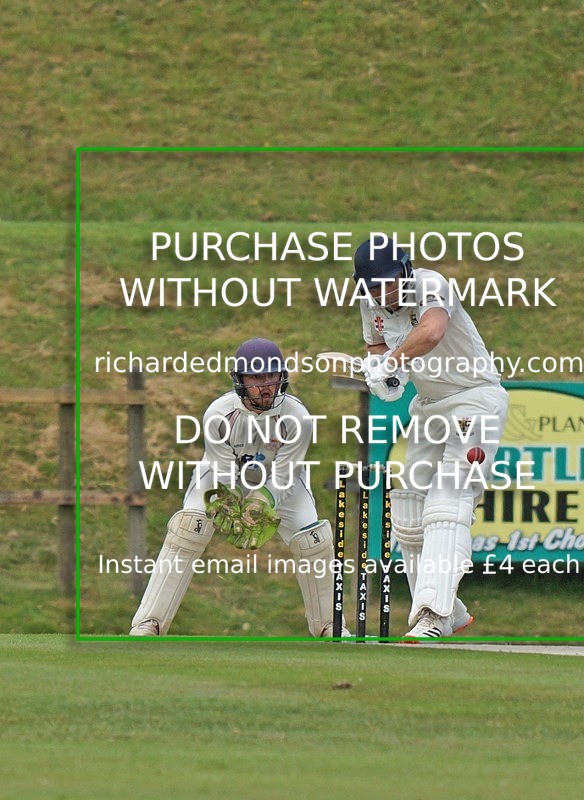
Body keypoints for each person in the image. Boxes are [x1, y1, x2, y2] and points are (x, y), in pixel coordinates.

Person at [130, 337, 347, 637]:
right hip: (221, 476)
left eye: (271, 375)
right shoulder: (218, 415)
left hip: (278, 480)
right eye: (257, 377)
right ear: (240, 380)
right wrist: (234, 508)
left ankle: (330, 627)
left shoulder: (298, 417)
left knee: (313, 540)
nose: (266, 385)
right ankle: (148, 623)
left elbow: (285, 473)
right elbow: (221, 471)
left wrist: (261, 501)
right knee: (188, 527)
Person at [352, 237, 509, 639]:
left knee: (448, 501)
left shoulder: (430, 284)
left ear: (405, 269)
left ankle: (433, 615)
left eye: (389, 282)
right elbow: (376, 344)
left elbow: (432, 331)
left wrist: (391, 361)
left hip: (474, 400)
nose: (383, 293)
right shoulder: (371, 303)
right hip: (428, 405)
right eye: (372, 286)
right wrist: (384, 375)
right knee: (406, 507)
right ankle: (450, 609)